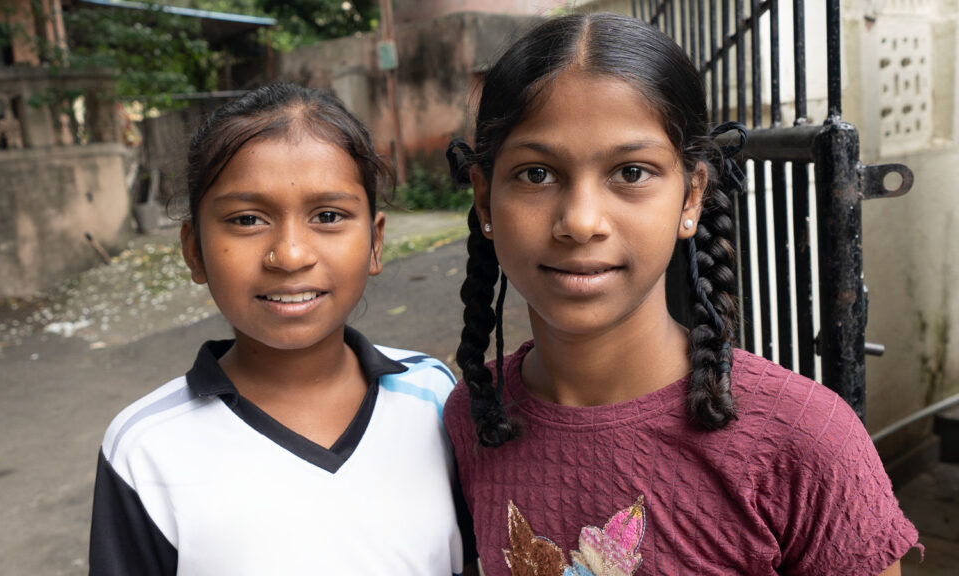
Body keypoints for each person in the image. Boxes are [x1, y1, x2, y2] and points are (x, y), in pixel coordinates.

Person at [443, 13, 920, 576]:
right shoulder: (473, 420)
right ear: (484, 199)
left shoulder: (806, 442)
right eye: (536, 175)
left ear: (691, 197)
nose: (580, 222)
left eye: (632, 172)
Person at [89, 83, 467, 575]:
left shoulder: (434, 395)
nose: (289, 255)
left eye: (328, 216)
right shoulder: (144, 449)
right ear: (195, 250)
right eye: (247, 219)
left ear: (375, 243)